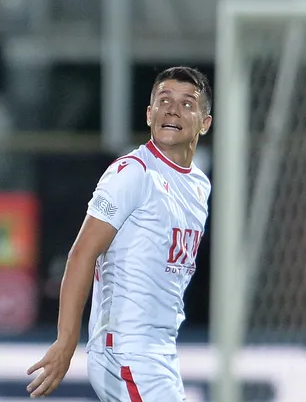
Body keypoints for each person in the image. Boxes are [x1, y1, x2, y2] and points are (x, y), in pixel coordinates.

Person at [26, 66, 213, 401]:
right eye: (164, 100)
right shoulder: (132, 173)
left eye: (187, 104)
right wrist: (66, 341)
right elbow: (82, 253)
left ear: (205, 123)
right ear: (149, 114)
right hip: (127, 351)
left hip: (161, 350)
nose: (172, 109)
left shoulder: (199, 185)